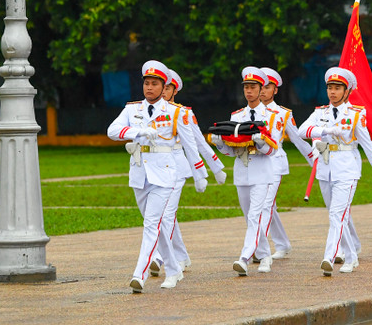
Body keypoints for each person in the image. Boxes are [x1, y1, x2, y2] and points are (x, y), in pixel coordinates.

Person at [107, 60, 205, 293]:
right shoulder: (132, 109)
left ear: (164, 87)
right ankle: (173, 269)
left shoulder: (175, 112)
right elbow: (112, 131)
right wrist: (137, 131)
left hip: (166, 173)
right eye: (147, 83)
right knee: (158, 227)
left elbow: (191, 146)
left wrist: (200, 174)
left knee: (151, 224)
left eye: (155, 84)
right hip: (140, 172)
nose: (149, 87)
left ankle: (138, 275)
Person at [299, 68, 372, 275]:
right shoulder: (320, 113)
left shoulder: (356, 114)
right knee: (339, 216)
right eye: (330, 87)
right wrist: (325, 131)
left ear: (347, 91)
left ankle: (329, 257)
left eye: (337, 88)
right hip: (325, 168)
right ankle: (351, 256)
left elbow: (368, 145)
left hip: (347, 169)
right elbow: (302, 130)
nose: (332, 92)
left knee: (337, 214)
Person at [149, 69, 226, 278]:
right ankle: (181, 256)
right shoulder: (147, 110)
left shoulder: (182, 112)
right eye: (161, 87)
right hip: (155, 168)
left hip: (177, 168)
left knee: (164, 215)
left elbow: (197, 143)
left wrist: (212, 169)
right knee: (167, 216)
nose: (163, 91)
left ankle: (159, 256)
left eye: (167, 88)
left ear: (174, 90)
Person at [211, 66, 281, 276]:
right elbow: (231, 151)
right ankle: (265, 255)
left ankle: (244, 257)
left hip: (262, 171)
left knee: (254, 216)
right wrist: (219, 144)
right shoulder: (237, 115)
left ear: (261, 89)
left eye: (253, 87)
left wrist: (260, 143)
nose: (249, 91)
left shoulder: (272, 115)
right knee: (249, 216)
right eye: (246, 87)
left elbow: (272, 148)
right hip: (242, 170)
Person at [260, 67, 316, 260]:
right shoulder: (249, 111)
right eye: (261, 86)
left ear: (275, 90)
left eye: (268, 87)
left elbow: (298, 138)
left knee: (265, 205)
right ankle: (283, 244)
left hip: (275, 162)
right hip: (256, 164)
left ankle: (258, 250)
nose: (263, 91)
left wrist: (313, 159)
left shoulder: (283, 114)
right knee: (268, 206)